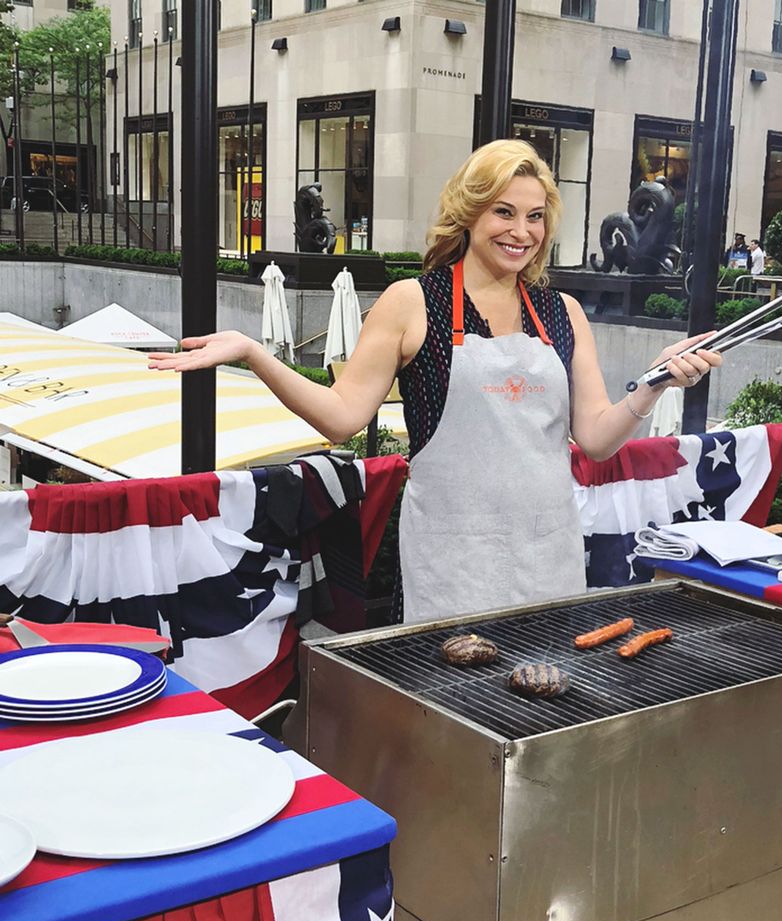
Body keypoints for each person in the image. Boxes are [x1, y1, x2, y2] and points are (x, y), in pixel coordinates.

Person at [148, 140, 721, 623]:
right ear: (470, 213)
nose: (521, 232)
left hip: (549, 556)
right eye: (503, 212)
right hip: (451, 562)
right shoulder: (412, 303)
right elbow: (342, 417)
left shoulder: (562, 312)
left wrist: (655, 383)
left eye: (535, 216)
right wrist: (255, 354)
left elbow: (595, 438)